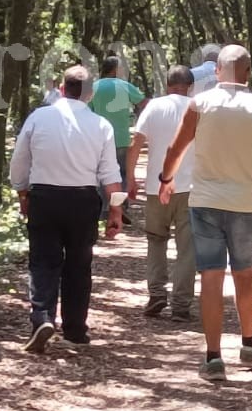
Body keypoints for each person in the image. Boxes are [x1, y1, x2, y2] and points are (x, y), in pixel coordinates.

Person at [159, 44, 252, 381]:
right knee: (244, 273)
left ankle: (213, 358)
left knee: (211, 277)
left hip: (206, 203)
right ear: (247, 72)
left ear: (216, 72)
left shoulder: (200, 103)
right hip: (245, 203)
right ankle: (249, 344)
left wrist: (166, 179)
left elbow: (176, 148)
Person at [11, 64, 123, 351]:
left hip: (44, 197)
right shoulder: (101, 125)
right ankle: (75, 329)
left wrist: (23, 192)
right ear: (90, 95)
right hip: (83, 201)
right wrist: (115, 212)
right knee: (79, 265)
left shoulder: (39, 117)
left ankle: (42, 318)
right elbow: (110, 175)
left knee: (43, 262)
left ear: (62, 89)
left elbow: (20, 161)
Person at [125, 66, 197, 321]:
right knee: (187, 248)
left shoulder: (154, 107)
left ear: (167, 85)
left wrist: (130, 176)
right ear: (190, 86)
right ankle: (181, 304)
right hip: (191, 189)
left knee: (156, 240)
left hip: (157, 187)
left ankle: (156, 293)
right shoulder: (199, 107)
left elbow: (136, 143)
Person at [89, 55, 145, 220]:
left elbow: (87, 110)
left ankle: (104, 210)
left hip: (98, 139)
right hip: (120, 138)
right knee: (121, 173)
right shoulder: (124, 86)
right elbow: (143, 103)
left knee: (101, 174)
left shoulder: (94, 87)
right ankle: (122, 209)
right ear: (114, 70)